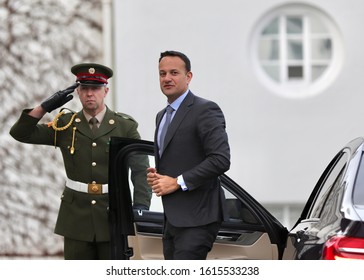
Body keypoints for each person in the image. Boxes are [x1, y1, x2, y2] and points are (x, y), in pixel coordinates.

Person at [10, 63, 151, 260]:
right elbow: (20, 133)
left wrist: (140, 207)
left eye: (95, 88)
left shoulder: (124, 126)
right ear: (78, 91)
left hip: (113, 215)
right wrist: (44, 107)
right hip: (76, 217)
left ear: (105, 91)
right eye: (84, 88)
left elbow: (140, 170)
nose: (90, 93)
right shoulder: (65, 124)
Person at [147, 51, 231, 260]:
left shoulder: (205, 110)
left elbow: (220, 159)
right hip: (171, 220)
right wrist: (158, 177)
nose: (167, 78)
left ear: (189, 77)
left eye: (174, 72)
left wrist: (177, 182)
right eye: (162, 73)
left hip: (199, 218)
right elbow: (177, 160)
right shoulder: (161, 116)